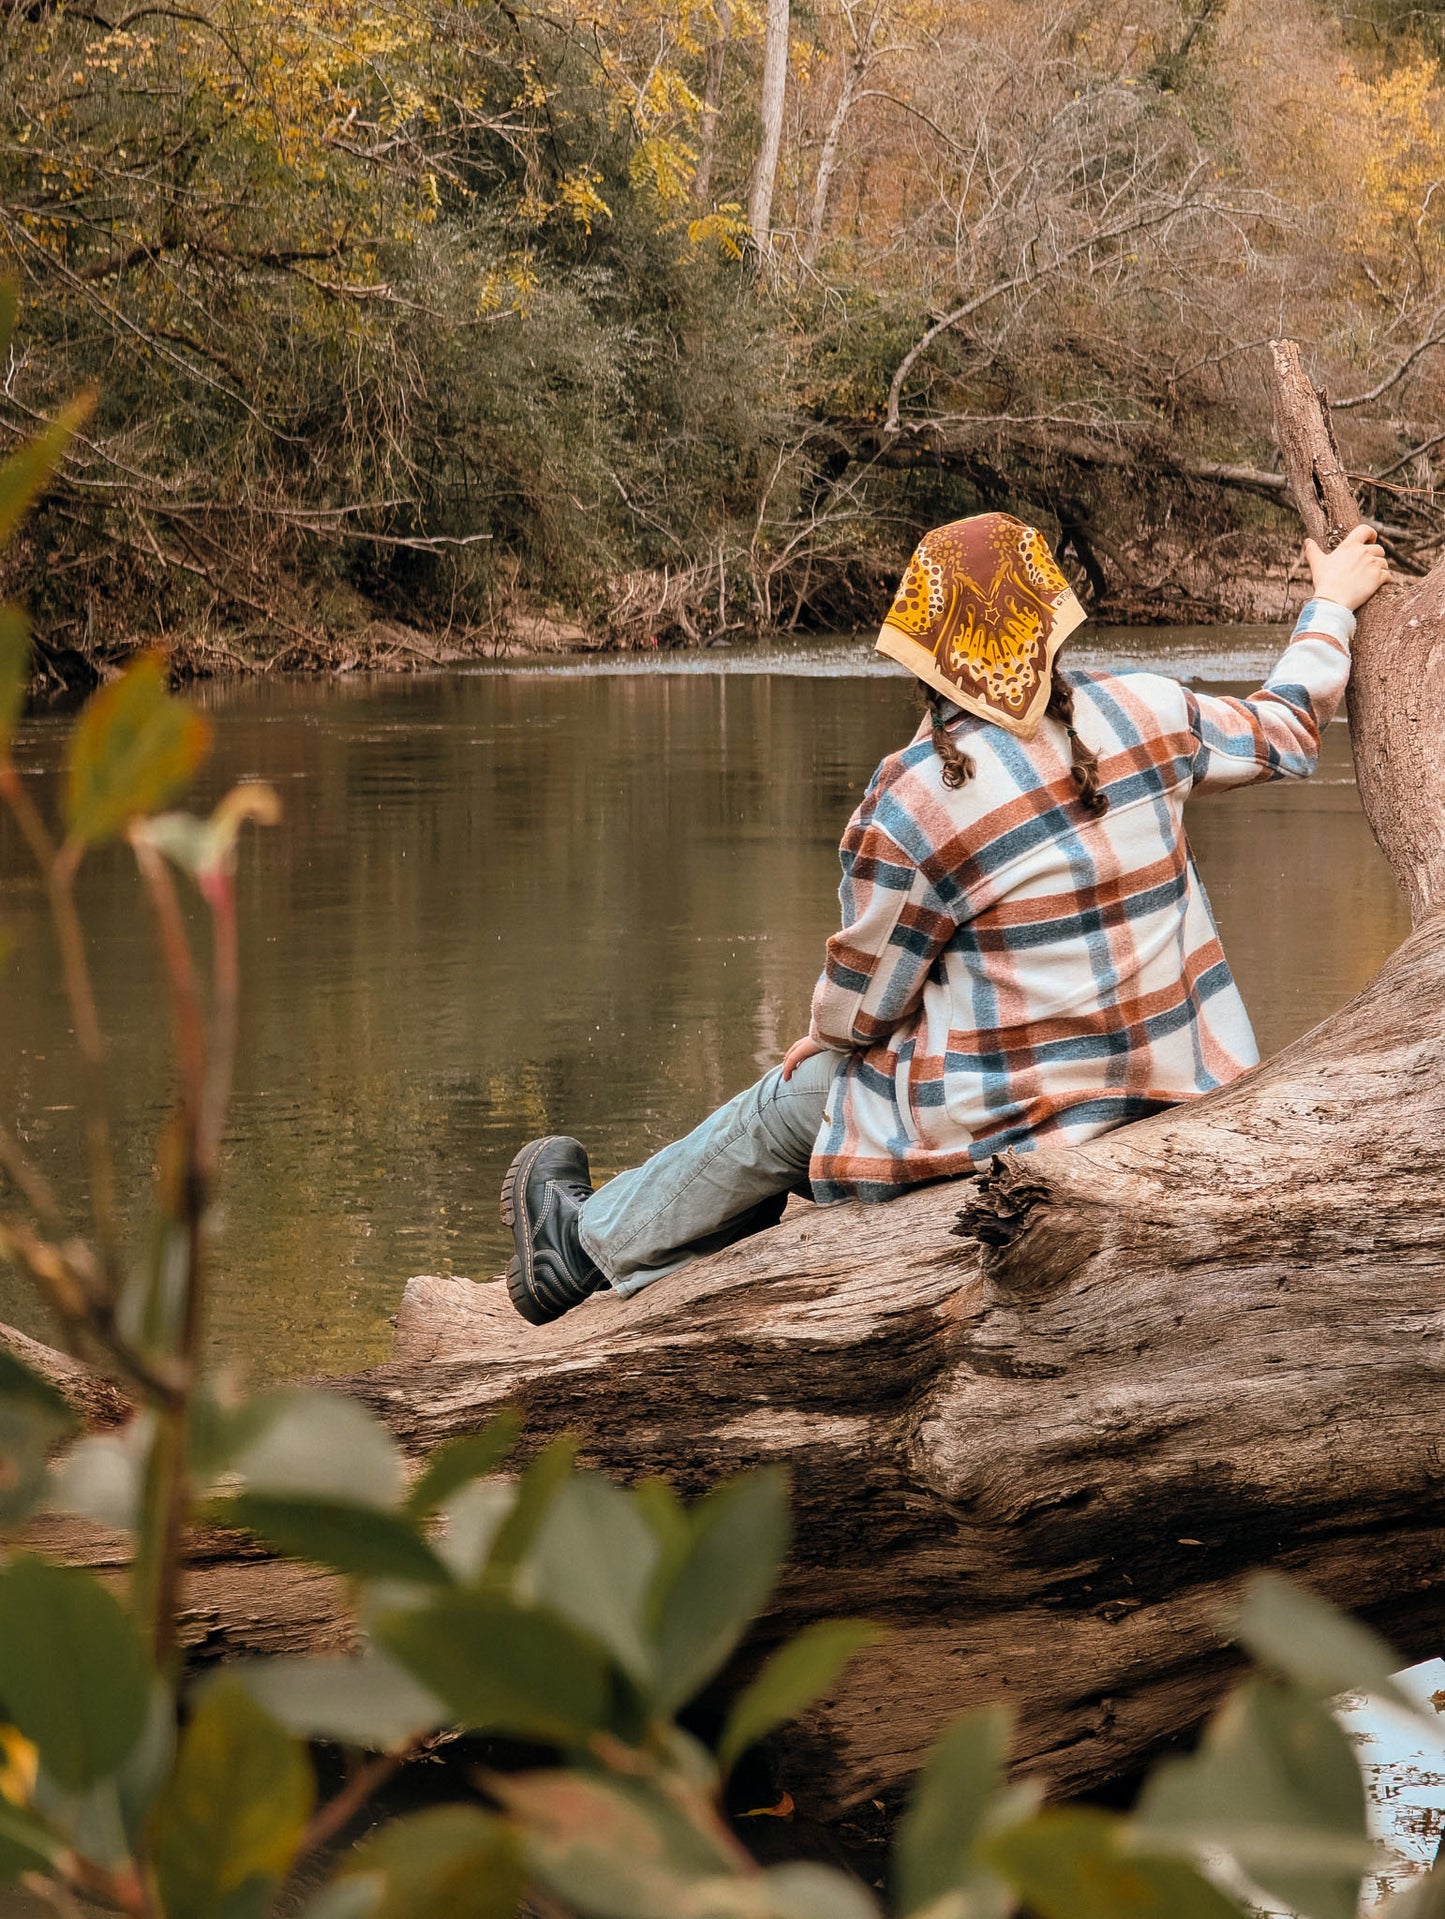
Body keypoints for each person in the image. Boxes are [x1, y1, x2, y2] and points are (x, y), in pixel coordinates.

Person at [501, 511, 1389, 1325]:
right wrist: (1329, 606)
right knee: (823, 1088)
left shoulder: (915, 797)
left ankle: (579, 1248)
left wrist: (827, 1040)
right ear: (1050, 624)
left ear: (923, 657)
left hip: (1009, 1126)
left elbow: (862, 1005)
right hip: (1171, 1085)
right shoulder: (1147, 711)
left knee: (793, 1101)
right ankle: (647, 1244)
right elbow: (1288, 725)